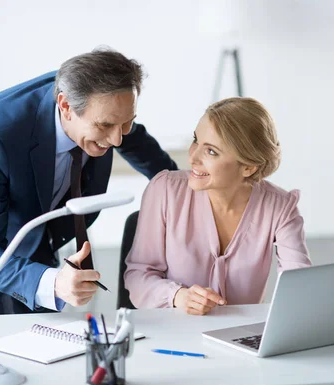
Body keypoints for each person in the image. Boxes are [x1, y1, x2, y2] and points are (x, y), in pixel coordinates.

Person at [0, 49, 177, 318]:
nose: (116, 139)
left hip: (28, 226)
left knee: (42, 337)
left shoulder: (102, 104)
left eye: (125, 123)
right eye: (105, 127)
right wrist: (53, 283)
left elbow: (134, 139)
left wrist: (180, 191)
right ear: (65, 107)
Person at [124, 97, 312, 315]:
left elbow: (299, 286)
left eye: (211, 151)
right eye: (196, 140)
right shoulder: (165, 190)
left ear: (249, 167)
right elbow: (137, 278)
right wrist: (178, 296)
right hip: (173, 335)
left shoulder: (280, 207)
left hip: (240, 339)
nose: (193, 156)